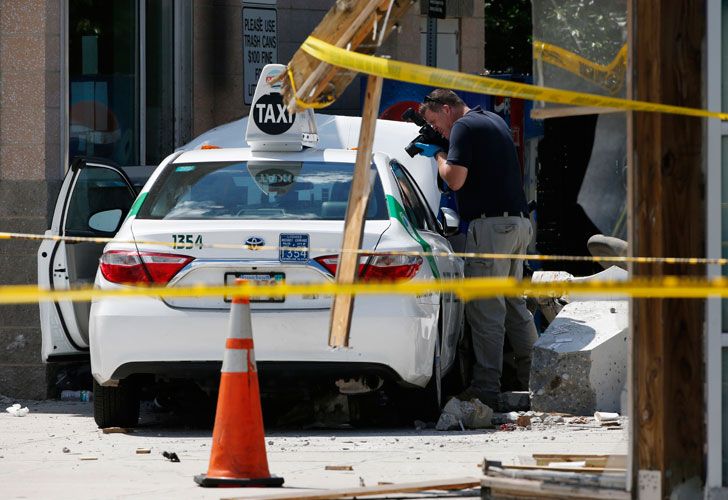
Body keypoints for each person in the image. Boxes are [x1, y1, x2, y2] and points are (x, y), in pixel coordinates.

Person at [416, 89, 538, 410]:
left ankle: (486, 388)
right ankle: (536, 379)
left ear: (446, 109)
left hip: (491, 227)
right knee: (514, 306)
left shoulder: (463, 127)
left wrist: (438, 155)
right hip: (517, 223)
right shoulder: (491, 120)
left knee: (485, 309)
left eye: (434, 121)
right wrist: (445, 146)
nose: (438, 129)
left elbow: (454, 180)